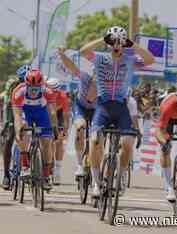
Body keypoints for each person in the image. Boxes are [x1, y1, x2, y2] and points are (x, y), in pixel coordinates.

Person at [80, 26, 154, 196]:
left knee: (128, 143)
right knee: (95, 139)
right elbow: (83, 51)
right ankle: (97, 182)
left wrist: (132, 44)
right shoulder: (100, 58)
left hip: (121, 106)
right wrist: (103, 38)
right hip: (103, 105)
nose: (116, 45)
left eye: (119, 42)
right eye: (113, 42)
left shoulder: (130, 60)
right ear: (108, 43)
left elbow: (150, 60)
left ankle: (119, 176)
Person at [12, 69, 58, 189]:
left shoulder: (47, 91)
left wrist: (55, 129)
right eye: (31, 88)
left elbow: (52, 113)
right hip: (26, 113)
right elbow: (17, 116)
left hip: (42, 114)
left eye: (36, 89)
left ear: (41, 86)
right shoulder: (18, 92)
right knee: (23, 132)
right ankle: (25, 166)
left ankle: (46, 175)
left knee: (47, 143)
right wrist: (18, 132)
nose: (33, 91)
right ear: (26, 85)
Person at [57, 47, 97, 177]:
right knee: (80, 128)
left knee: (98, 136)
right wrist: (62, 55)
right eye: (95, 78)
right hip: (81, 107)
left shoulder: (105, 85)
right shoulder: (85, 77)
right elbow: (71, 66)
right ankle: (79, 165)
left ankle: (95, 163)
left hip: (97, 110)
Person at [46, 77, 70, 185]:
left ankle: (57, 171)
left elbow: (65, 116)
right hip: (46, 114)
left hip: (58, 115)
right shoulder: (44, 94)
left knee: (59, 142)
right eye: (50, 91)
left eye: (54, 92)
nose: (52, 94)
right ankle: (47, 165)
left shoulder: (63, 96)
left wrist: (65, 130)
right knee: (48, 142)